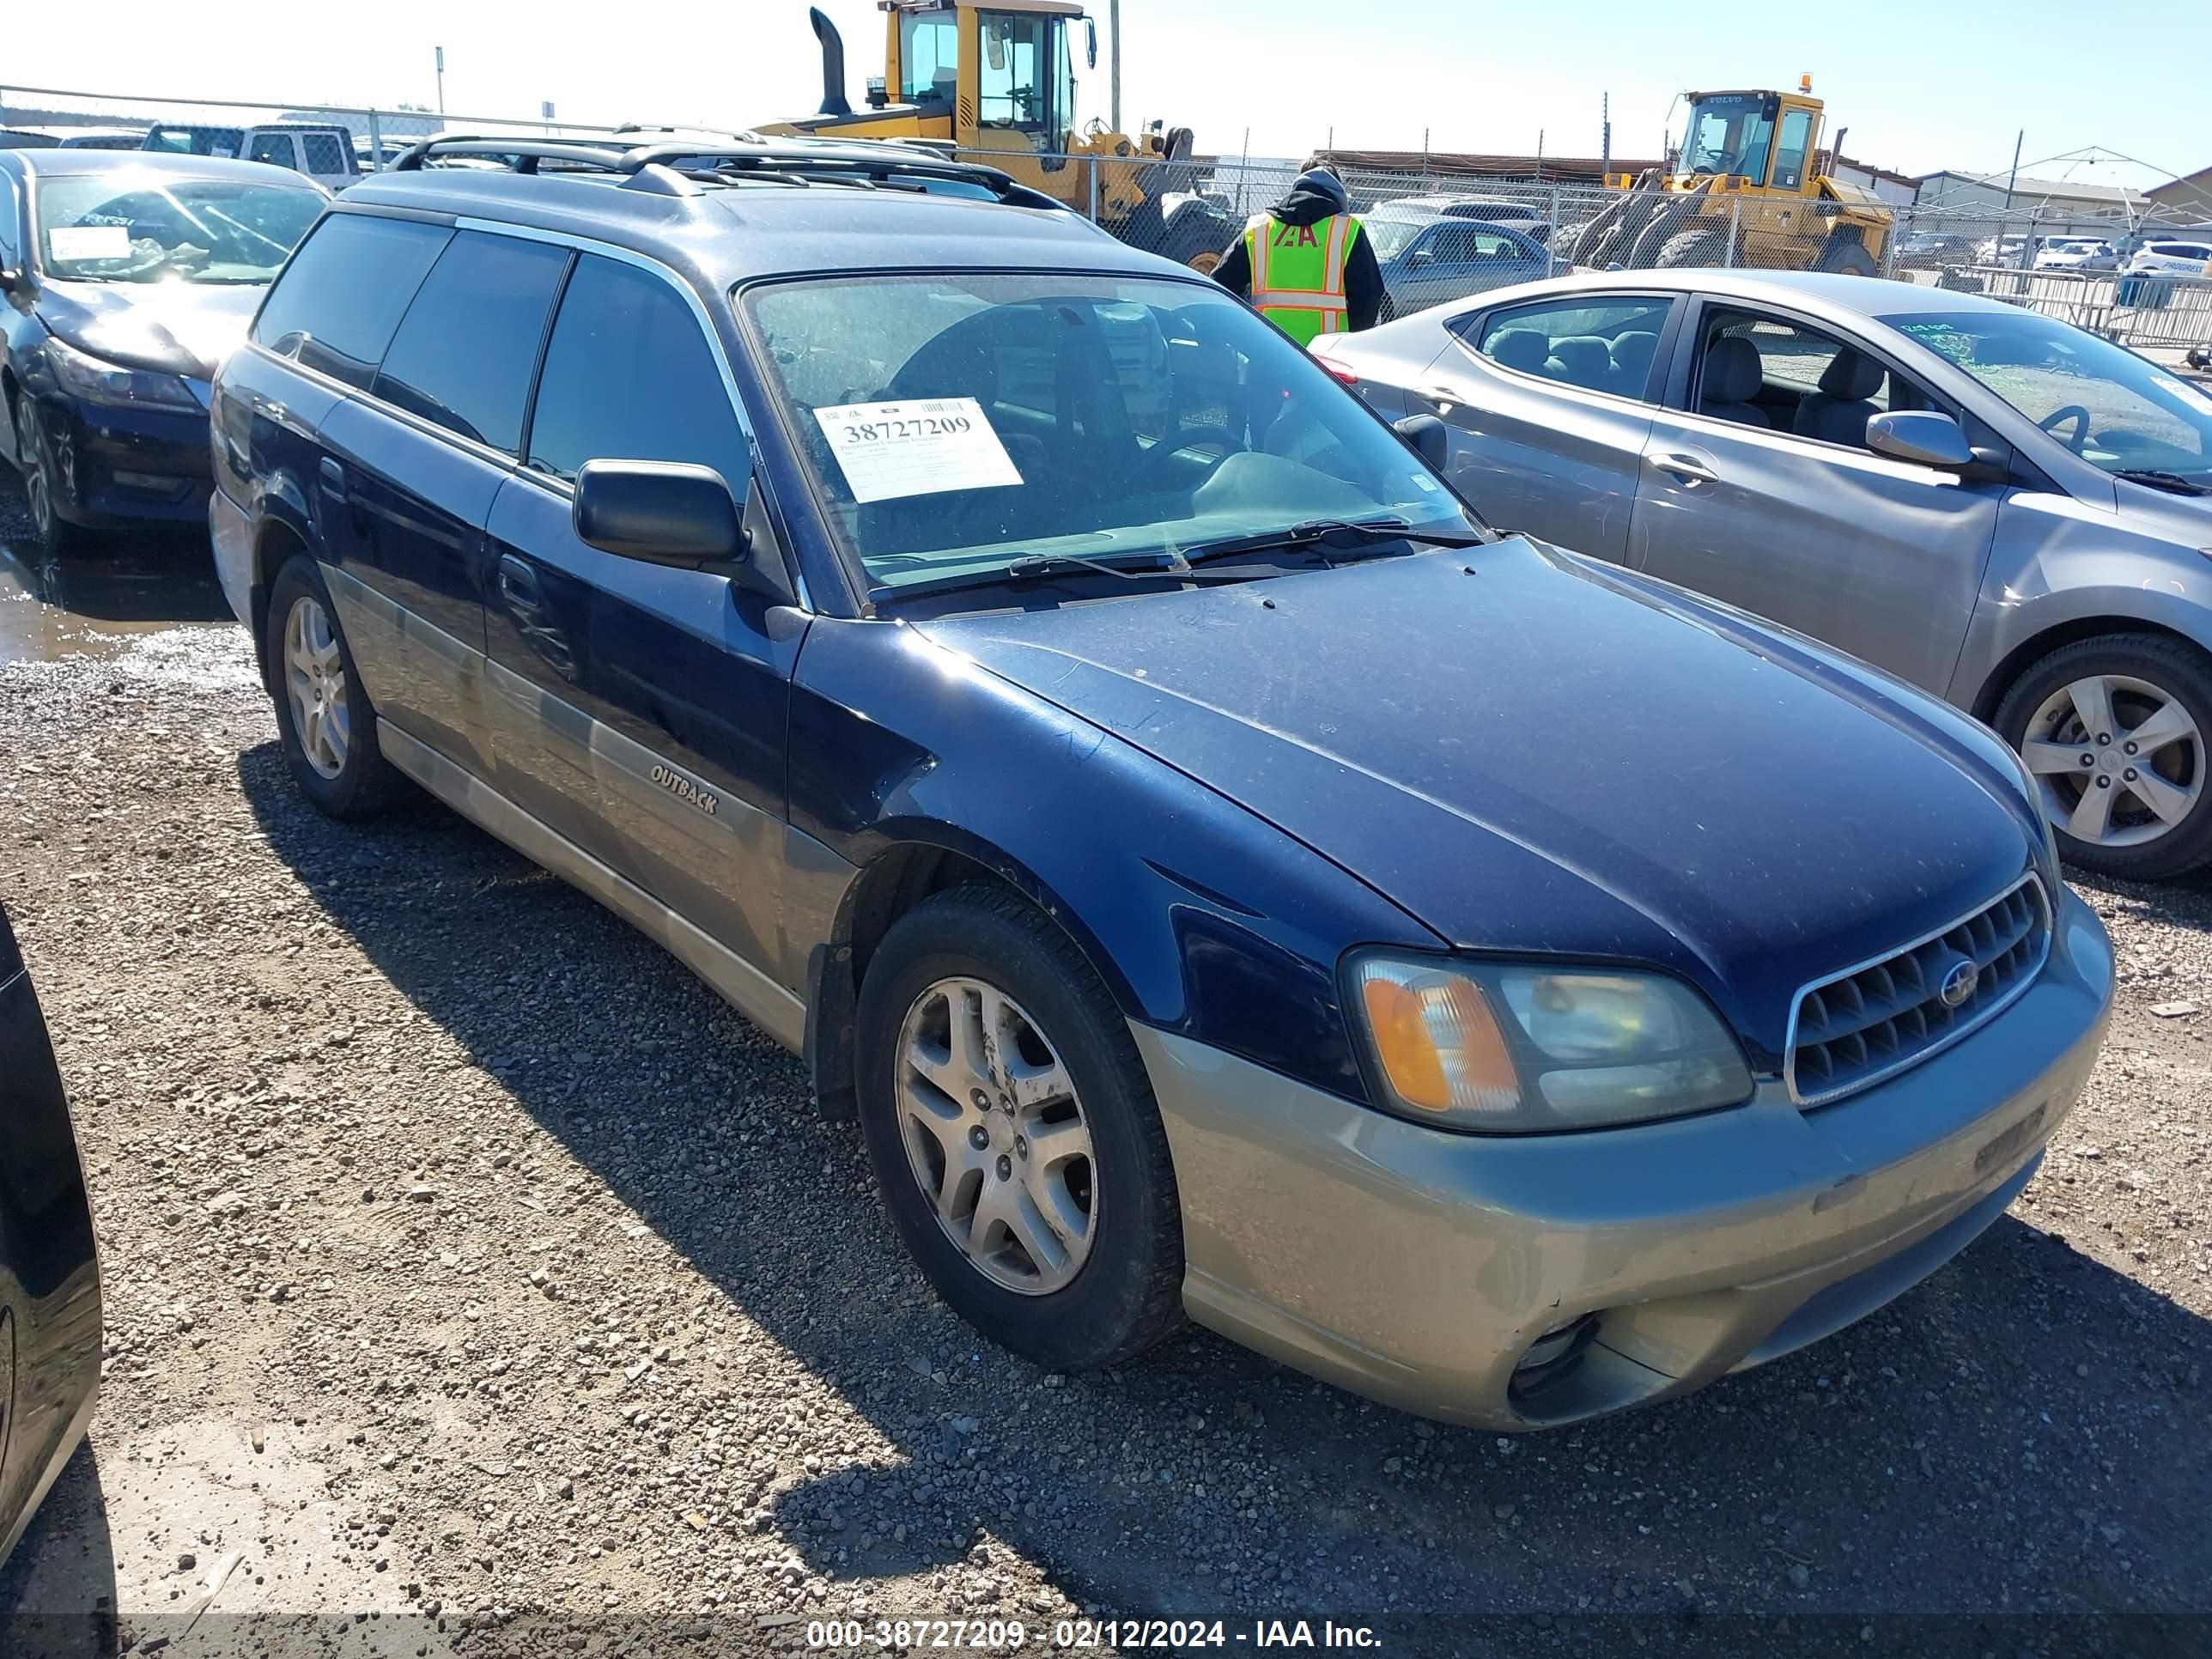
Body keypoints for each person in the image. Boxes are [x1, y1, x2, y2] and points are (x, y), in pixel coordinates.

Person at [1212, 168, 1385, 346]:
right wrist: (1348, 342)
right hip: (1325, 358)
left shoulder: (1259, 228)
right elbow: (1368, 298)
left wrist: (1239, 335)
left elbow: (1220, 286)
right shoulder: (1347, 229)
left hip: (1266, 351)